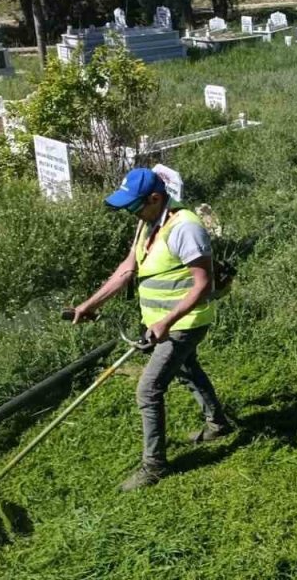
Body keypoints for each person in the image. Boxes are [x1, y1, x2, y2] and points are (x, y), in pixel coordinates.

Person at [72, 168, 232, 491]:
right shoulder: (146, 224)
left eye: (133, 206)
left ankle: (154, 466)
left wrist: (165, 322)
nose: (130, 213)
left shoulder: (185, 228)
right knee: (187, 368)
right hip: (163, 323)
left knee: (148, 389)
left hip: (186, 323)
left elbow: (203, 285)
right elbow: (126, 270)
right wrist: (90, 305)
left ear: (155, 198)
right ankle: (217, 424)